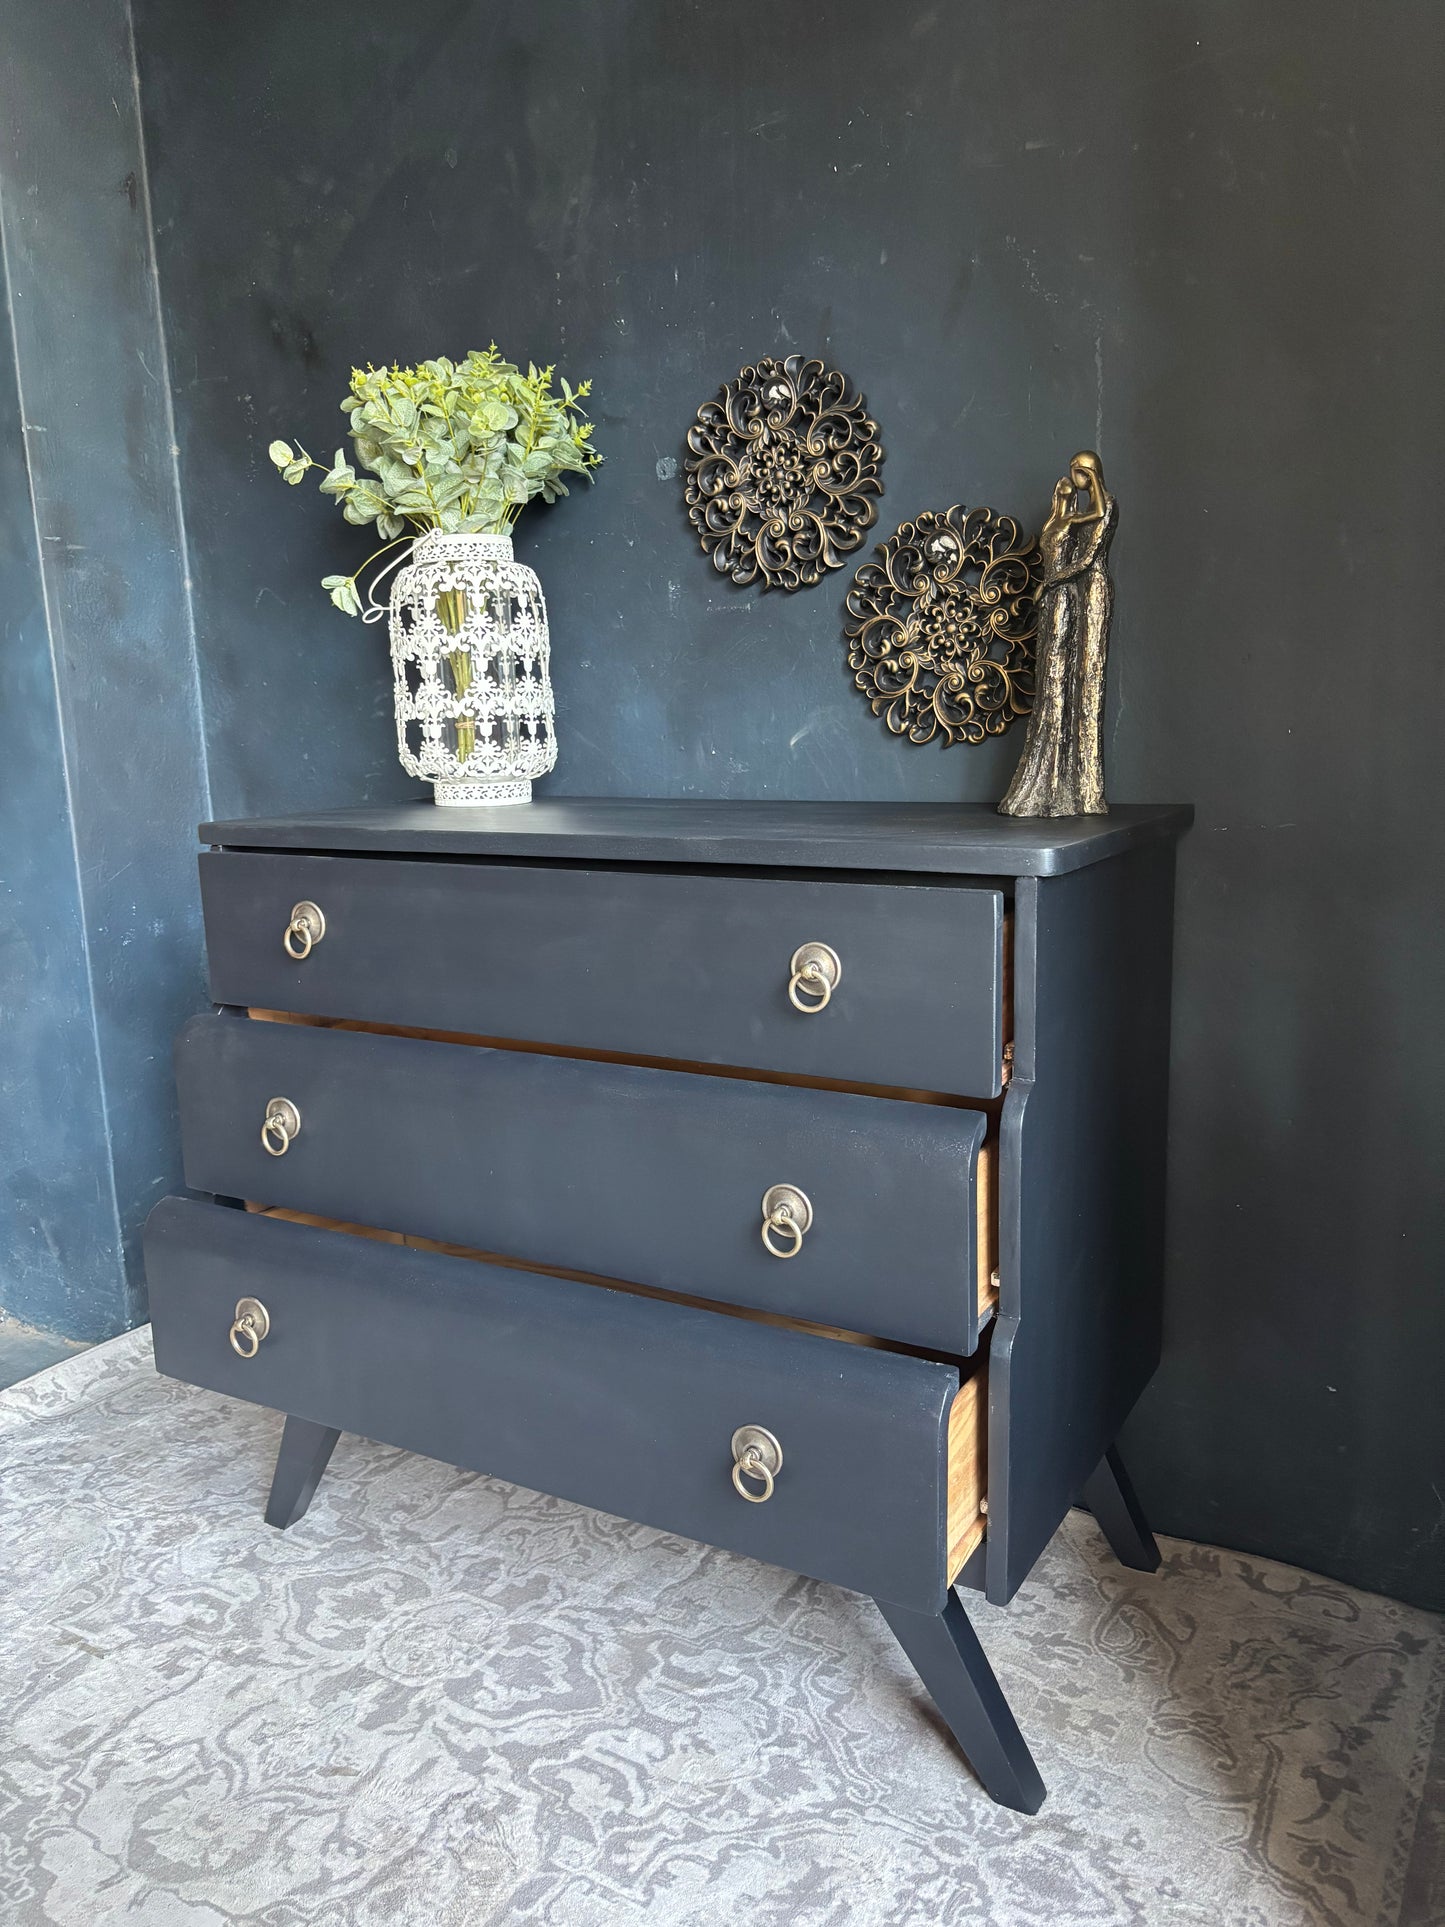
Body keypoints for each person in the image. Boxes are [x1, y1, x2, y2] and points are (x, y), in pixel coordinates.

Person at [999, 450, 1116, 816]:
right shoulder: (1078, 513)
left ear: (1089, 474)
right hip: (1072, 590)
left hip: (1092, 589)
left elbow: (1089, 557)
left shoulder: (1106, 505)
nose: (1072, 481)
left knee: (1088, 678)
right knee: (1064, 674)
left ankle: (1085, 788)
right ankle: (1057, 781)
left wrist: (1048, 584)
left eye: (1077, 475)